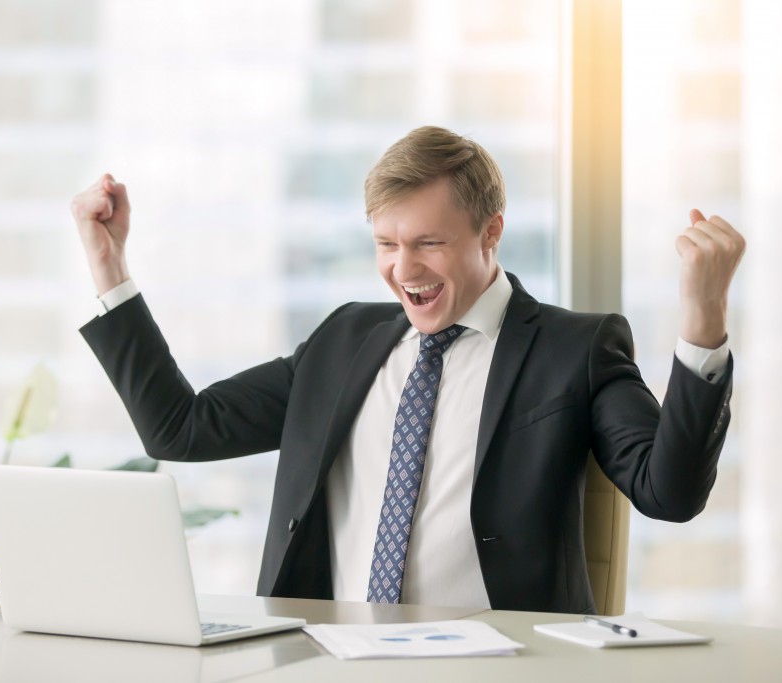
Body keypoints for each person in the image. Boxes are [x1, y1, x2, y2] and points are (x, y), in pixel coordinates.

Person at [71, 126, 745, 614]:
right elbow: (180, 429)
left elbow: (672, 492)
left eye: (428, 242)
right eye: (386, 244)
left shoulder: (575, 349)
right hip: (329, 660)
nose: (404, 268)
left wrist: (703, 319)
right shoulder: (343, 340)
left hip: (498, 666)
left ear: (491, 232)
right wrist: (109, 266)